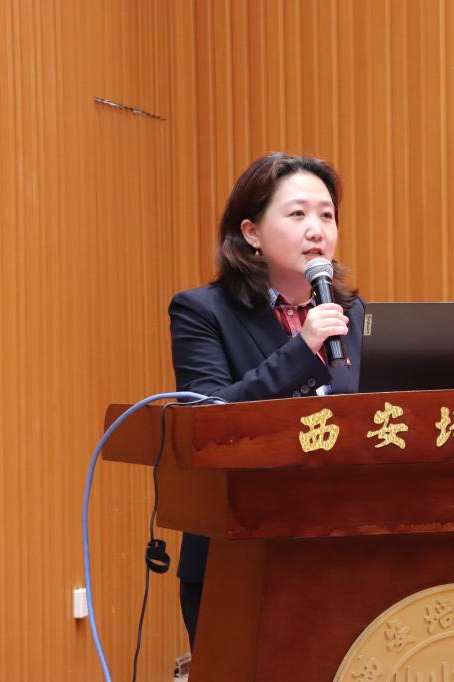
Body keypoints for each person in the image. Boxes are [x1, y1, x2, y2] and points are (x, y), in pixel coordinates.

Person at [167, 152, 364, 649]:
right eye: (298, 214)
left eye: (327, 215)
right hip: (237, 552)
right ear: (252, 232)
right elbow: (209, 418)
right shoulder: (202, 312)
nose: (317, 230)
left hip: (338, 551)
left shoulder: (351, 312)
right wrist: (302, 349)